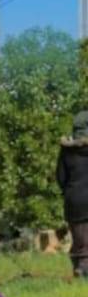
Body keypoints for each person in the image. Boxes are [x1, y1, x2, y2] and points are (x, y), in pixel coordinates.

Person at [55, 110, 88, 278]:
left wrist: (68, 190)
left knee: (79, 238)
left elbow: (60, 177)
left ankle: (80, 268)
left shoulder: (66, 151)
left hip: (75, 199)